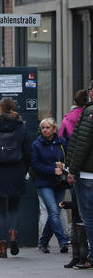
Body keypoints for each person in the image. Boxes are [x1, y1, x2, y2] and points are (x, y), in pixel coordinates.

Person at [0, 96, 32, 258]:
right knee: (13, 208)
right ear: (14, 108)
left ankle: (2, 246)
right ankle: (12, 233)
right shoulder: (21, 127)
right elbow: (28, 152)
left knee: (0, 211)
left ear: (0, 109)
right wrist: (24, 169)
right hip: (17, 170)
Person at [31, 117, 70, 254]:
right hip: (44, 182)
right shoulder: (36, 145)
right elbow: (35, 164)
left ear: (54, 129)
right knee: (53, 210)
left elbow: (70, 159)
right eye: (43, 128)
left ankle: (43, 242)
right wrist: (52, 169)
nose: (45, 130)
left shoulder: (62, 142)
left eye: (48, 127)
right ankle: (63, 241)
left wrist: (63, 165)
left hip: (60, 182)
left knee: (55, 212)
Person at [67, 83, 93, 270]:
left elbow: (81, 144)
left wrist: (72, 170)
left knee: (89, 218)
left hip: (87, 175)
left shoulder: (90, 112)